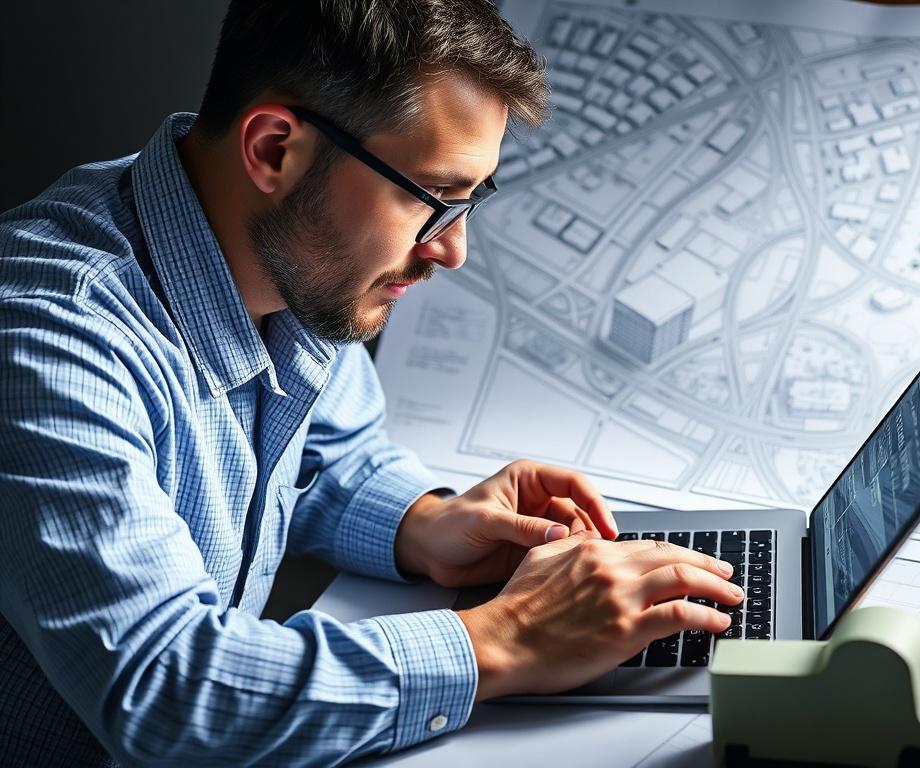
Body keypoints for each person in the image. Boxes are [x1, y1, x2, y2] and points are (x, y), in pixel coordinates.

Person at [0, 1, 742, 765]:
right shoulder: (45, 339)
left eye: (471, 199)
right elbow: (170, 692)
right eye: (430, 198)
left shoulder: (287, 257)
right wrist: (509, 636)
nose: (453, 250)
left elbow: (321, 456)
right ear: (275, 150)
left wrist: (425, 525)